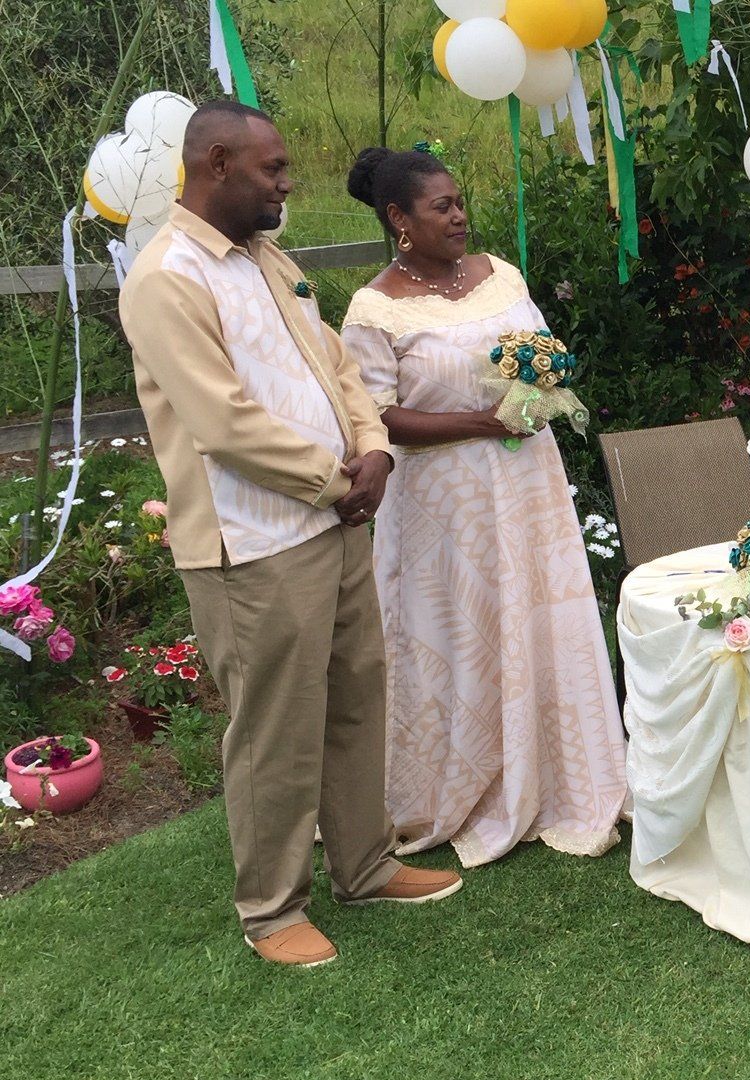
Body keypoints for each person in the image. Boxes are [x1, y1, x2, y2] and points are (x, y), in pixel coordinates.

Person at [119, 101, 462, 968]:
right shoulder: (167, 278)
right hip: (251, 544)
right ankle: (272, 911)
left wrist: (375, 447)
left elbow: (336, 367)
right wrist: (333, 481)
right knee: (274, 727)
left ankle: (366, 864)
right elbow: (223, 423)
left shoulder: (267, 259)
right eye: (273, 170)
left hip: (336, 521)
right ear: (219, 163)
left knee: (355, 696)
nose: (286, 184)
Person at [340, 146, 626, 867]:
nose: (460, 215)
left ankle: (558, 772)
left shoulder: (501, 274)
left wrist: (544, 383)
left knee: (535, 615)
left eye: (461, 201)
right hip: (441, 504)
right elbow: (375, 417)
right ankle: (452, 783)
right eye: (442, 206)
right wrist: (483, 423)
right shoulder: (375, 308)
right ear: (399, 219)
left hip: (526, 482)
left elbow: (541, 350)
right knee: (457, 630)